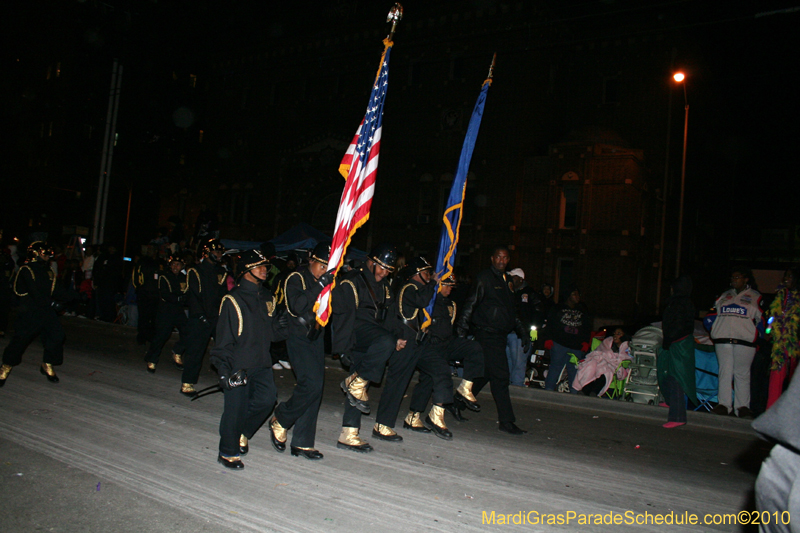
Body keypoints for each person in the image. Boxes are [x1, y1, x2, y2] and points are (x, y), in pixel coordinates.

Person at [210, 249, 282, 469]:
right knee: (235, 410)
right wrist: (224, 371)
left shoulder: (268, 297)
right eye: (258, 266)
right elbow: (222, 341)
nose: (264, 270)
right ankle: (227, 451)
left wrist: (291, 326)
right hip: (238, 363)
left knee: (267, 400)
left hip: (261, 362)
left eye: (265, 266)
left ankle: (243, 432)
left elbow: (272, 334)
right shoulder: (233, 300)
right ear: (245, 271)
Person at [331, 243, 404, 452]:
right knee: (361, 378)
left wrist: (394, 338)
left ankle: (349, 433)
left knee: (359, 386)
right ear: (371, 262)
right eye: (381, 268)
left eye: (389, 270)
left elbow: (388, 317)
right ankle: (355, 382)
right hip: (356, 334)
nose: (384, 273)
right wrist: (342, 349)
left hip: (374, 337)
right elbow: (342, 318)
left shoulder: (386, 286)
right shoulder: (352, 282)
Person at [456, 246, 530, 435]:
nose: (501, 261)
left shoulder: (508, 282)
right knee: (501, 376)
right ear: (492, 258)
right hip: (486, 334)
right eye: (498, 257)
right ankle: (506, 420)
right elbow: (470, 304)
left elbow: (512, 311)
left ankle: (454, 403)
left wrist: (523, 332)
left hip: (500, 335)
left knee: (484, 375)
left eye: (505, 258)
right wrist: (461, 332)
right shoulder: (484, 278)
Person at [269, 243, 332, 460]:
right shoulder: (295, 278)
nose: (324, 270)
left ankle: (303, 442)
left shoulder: (325, 282)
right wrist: (320, 286)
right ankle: (281, 418)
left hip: (316, 337)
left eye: (327, 267)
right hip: (297, 336)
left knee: (316, 388)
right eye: (321, 265)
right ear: (311, 260)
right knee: (310, 384)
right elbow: (296, 305)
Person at [406, 274, 484, 438]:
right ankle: (430, 417)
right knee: (435, 376)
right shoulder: (428, 300)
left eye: (451, 286)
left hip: (445, 344)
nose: (449, 289)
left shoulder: (450, 304)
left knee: (473, 347)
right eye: (446, 285)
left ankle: (465, 388)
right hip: (428, 345)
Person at [376, 256, 438, 440]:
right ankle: (382, 424)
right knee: (396, 384)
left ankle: (413, 417)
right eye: (426, 273)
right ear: (417, 274)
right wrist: (433, 283)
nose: (429, 275)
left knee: (429, 374)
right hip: (404, 341)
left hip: (415, 342)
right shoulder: (410, 288)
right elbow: (422, 301)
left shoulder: (416, 288)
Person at [1, 243, 68, 386]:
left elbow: (55, 289)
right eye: (45, 252)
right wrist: (51, 304)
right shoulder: (27, 270)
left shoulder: (48, 270)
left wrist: (75, 296)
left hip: (46, 311)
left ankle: (47, 363)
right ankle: (6, 366)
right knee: (20, 340)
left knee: (57, 335)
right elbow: (34, 292)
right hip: (30, 311)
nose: (48, 255)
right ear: (35, 253)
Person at [708, 266, 763, 418]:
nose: (734, 280)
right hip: (723, 340)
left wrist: (759, 334)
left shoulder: (755, 296)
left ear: (746, 279)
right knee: (724, 372)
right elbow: (711, 315)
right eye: (732, 278)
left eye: (737, 277)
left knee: (742, 373)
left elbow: (764, 319)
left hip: (745, 341)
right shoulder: (725, 295)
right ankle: (724, 405)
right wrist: (714, 330)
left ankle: (742, 407)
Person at [180, 239, 228, 396]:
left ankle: (228, 381)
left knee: (226, 349)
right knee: (196, 351)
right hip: (199, 317)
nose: (219, 255)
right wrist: (200, 316)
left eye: (221, 252)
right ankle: (187, 382)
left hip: (215, 317)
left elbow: (223, 296)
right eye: (216, 252)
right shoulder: (195, 271)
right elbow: (193, 296)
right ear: (207, 253)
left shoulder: (221, 272)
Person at [657, 276, 698, 428]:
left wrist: (670, 339)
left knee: (676, 377)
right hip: (674, 341)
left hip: (678, 343)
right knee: (665, 371)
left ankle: (678, 416)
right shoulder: (677, 301)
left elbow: (680, 325)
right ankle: (670, 401)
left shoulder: (681, 303)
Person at [542, 284, 592, 393]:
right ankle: (548, 391)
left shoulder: (582, 310)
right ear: (568, 296)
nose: (577, 297)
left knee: (574, 370)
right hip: (560, 344)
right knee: (555, 368)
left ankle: (573, 394)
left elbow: (587, 327)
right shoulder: (557, 308)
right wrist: (548, 339)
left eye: (578, 294)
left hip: (576, 346)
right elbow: (550, 324)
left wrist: (586, 342)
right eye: (574, 294)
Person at [144, 254, 188, 373]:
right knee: (161, 336)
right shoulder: (164, 277)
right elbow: (166, 294)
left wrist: (185, 299)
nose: (175, 266)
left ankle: (177, 352)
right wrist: (180, 298)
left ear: (182, 266)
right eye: (173, 264)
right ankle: (152, 359)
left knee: (188, 332)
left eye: (178, 264)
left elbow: (188, 293)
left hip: (178, 311)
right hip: (166, 312)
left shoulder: (184, 278)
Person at [765, 267, 800, 409]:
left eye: (790, 276)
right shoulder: (780, 296)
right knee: (776, 374)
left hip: (796, 341)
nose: (786, 279)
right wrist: (769, 328)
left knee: (795, 378)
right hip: (780, 343)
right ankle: (771, 410)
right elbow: (771, 318)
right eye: (785, 276)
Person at [572, 327, 631, 397]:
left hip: (613, 367)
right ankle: (585, 390)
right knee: (592, 368)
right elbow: (598, 352)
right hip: (601, 362)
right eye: (614, 334)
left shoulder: (627, 347)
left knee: (605, 372)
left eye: (619, 334)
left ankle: (593, 392)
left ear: (624, 335)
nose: (615, 336)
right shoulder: (607, 342)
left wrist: (615, 361)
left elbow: (627, 359)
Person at [506, 268, 535, 387]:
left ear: (520, 279)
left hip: (520, 335)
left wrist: (531, 331)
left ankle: (517, 388)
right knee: (507, 362)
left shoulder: (529, 294)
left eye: (513, 277)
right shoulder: (509, 292)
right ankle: (505, 387)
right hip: (507, 332)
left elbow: (535, 313)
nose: (511, 279)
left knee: (518, 363)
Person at [132, 245, 161, 345]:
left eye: (153, 250)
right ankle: (142, 336)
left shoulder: (159, 262)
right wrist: (139, 288)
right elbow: (136, 276)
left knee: (153, 317)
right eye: (149, 250)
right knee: (143, 316)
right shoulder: (142, 262)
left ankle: (151, 336)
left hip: (155, 295)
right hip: (144, 294)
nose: (151, 252)